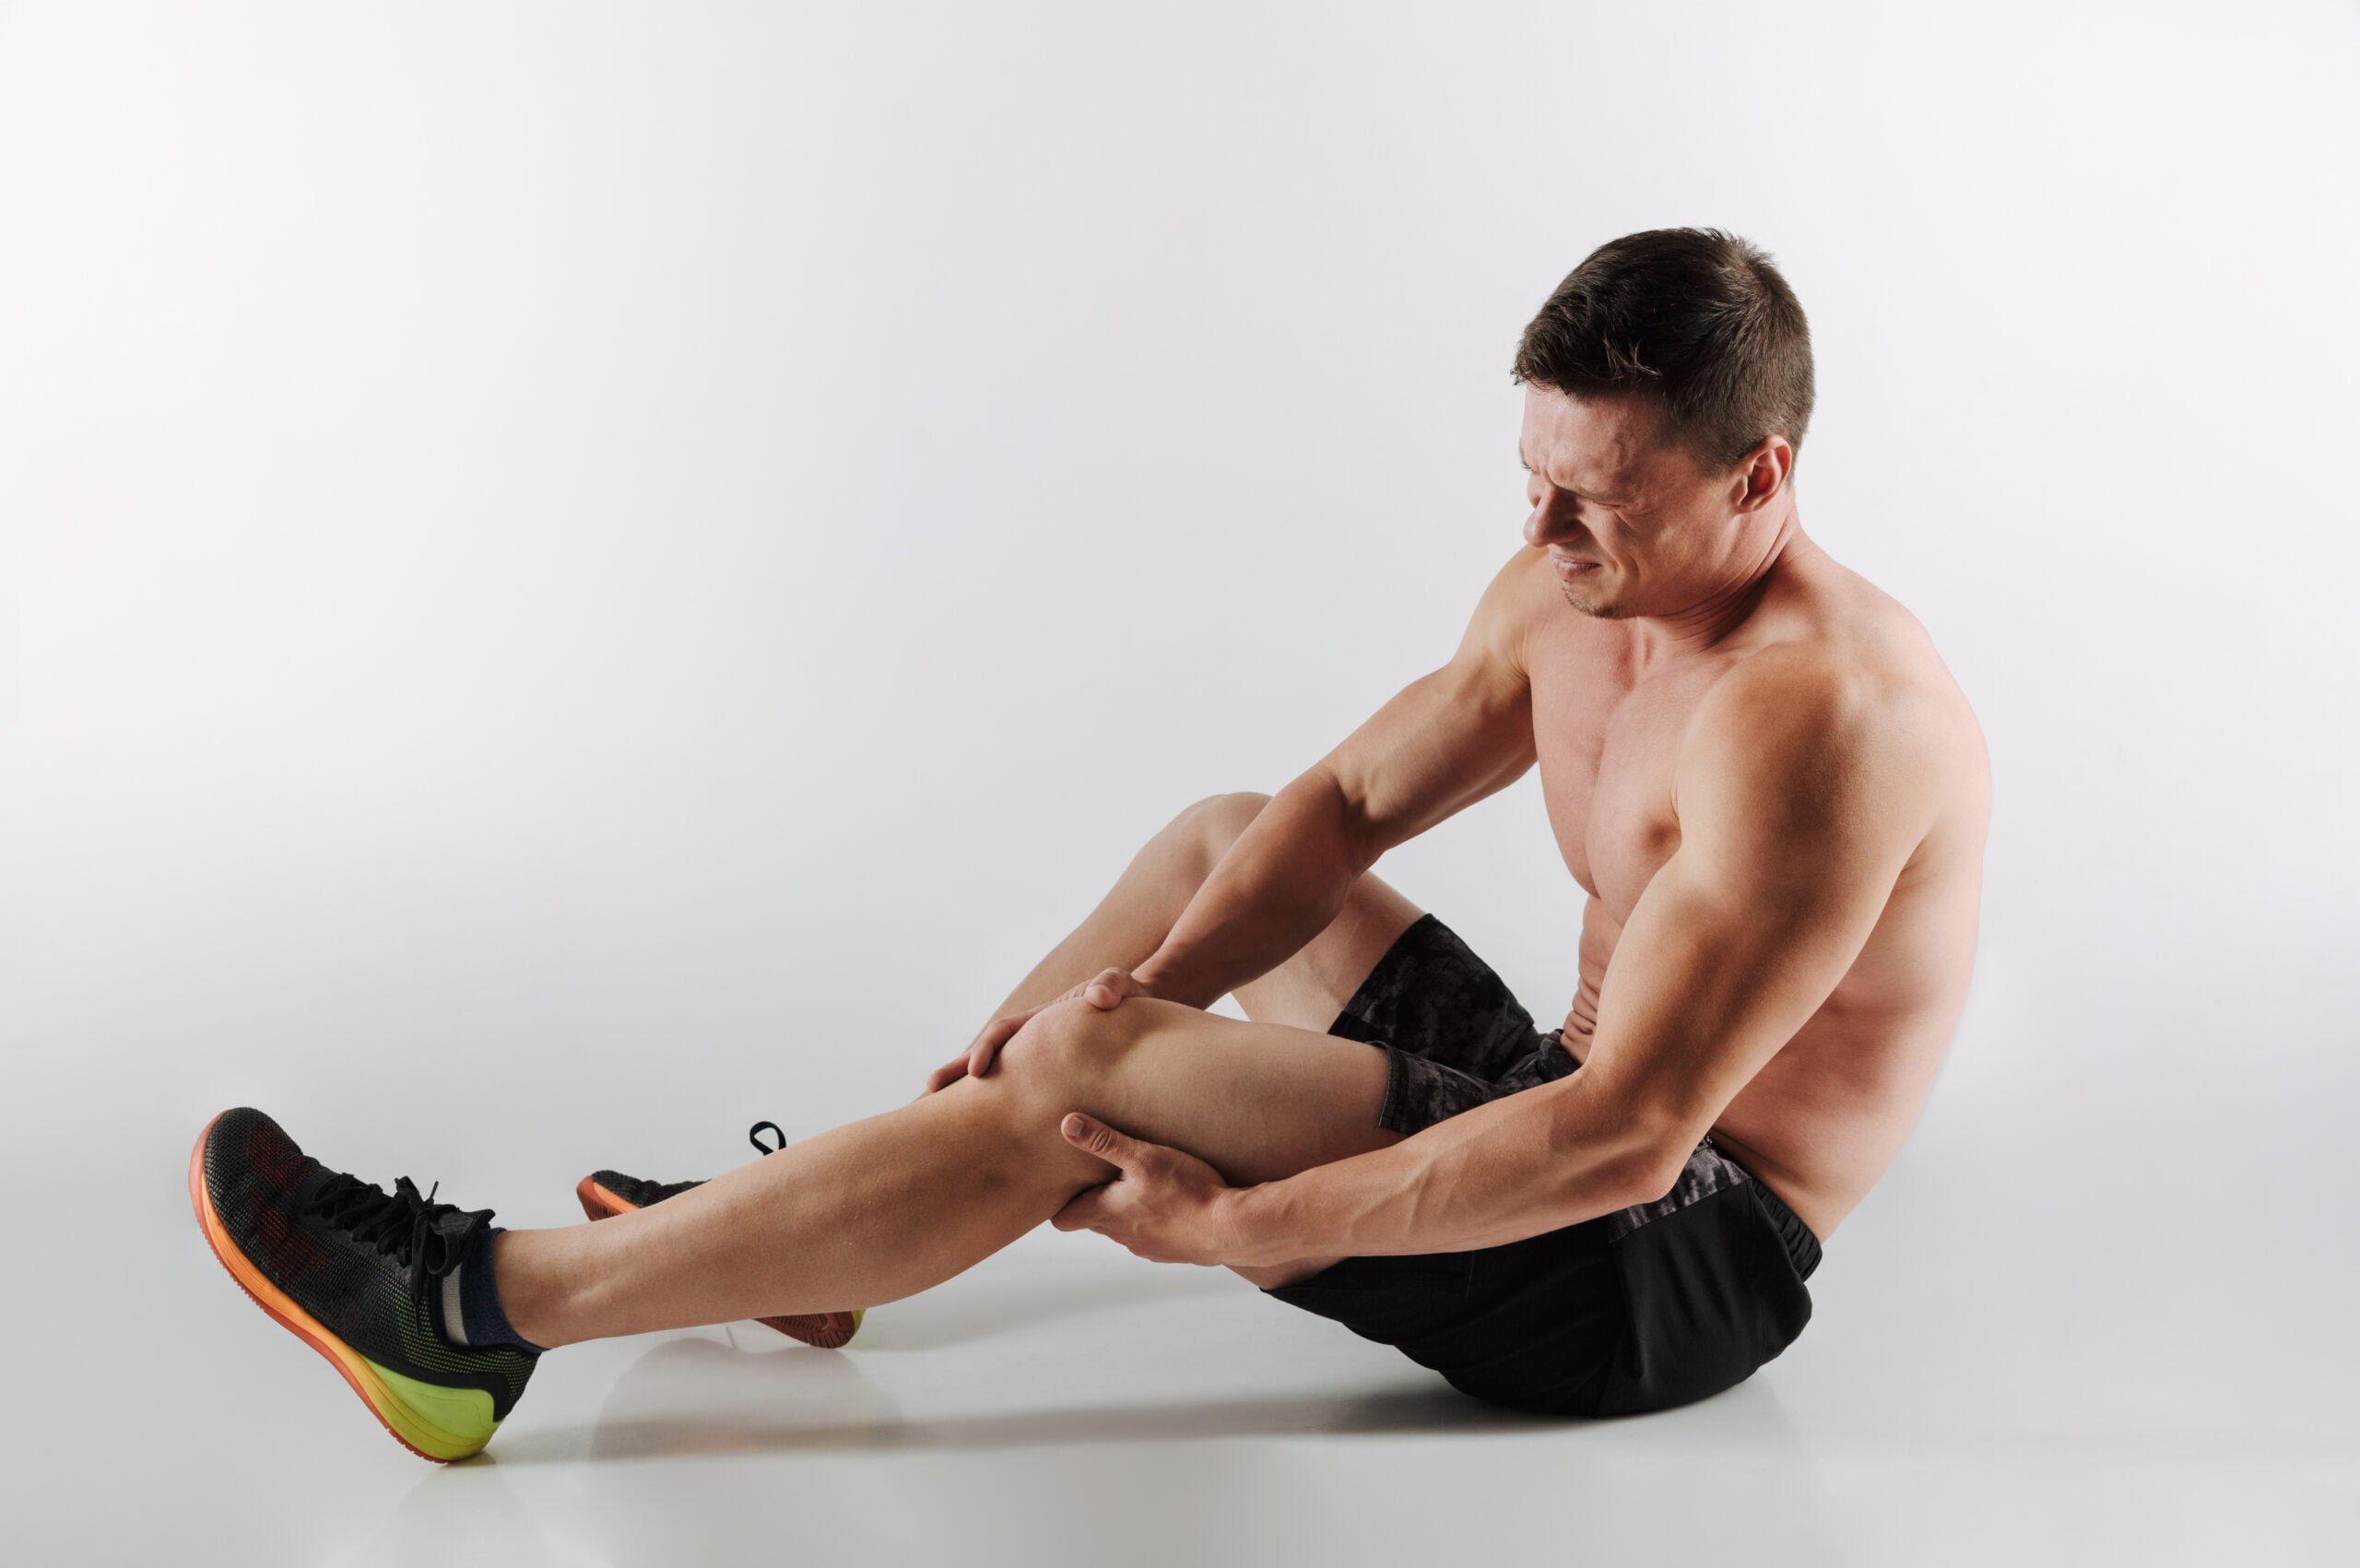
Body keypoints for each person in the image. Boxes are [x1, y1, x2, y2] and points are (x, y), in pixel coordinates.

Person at [190, 227, 1990, 1462]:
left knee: (1088, 1064)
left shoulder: (1823, 724)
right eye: (1528, 474)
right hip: (1561, 1104)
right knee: (1213, 849)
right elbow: (1342, 807)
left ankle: (483, 1313)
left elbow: (1623, 1133)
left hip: (1669, 1257)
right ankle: (822, 1229)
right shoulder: (1573, 581)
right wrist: (1151, 996)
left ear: (1756, 476)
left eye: (1589, 493)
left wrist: (1243, 1221)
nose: (1535, 527)